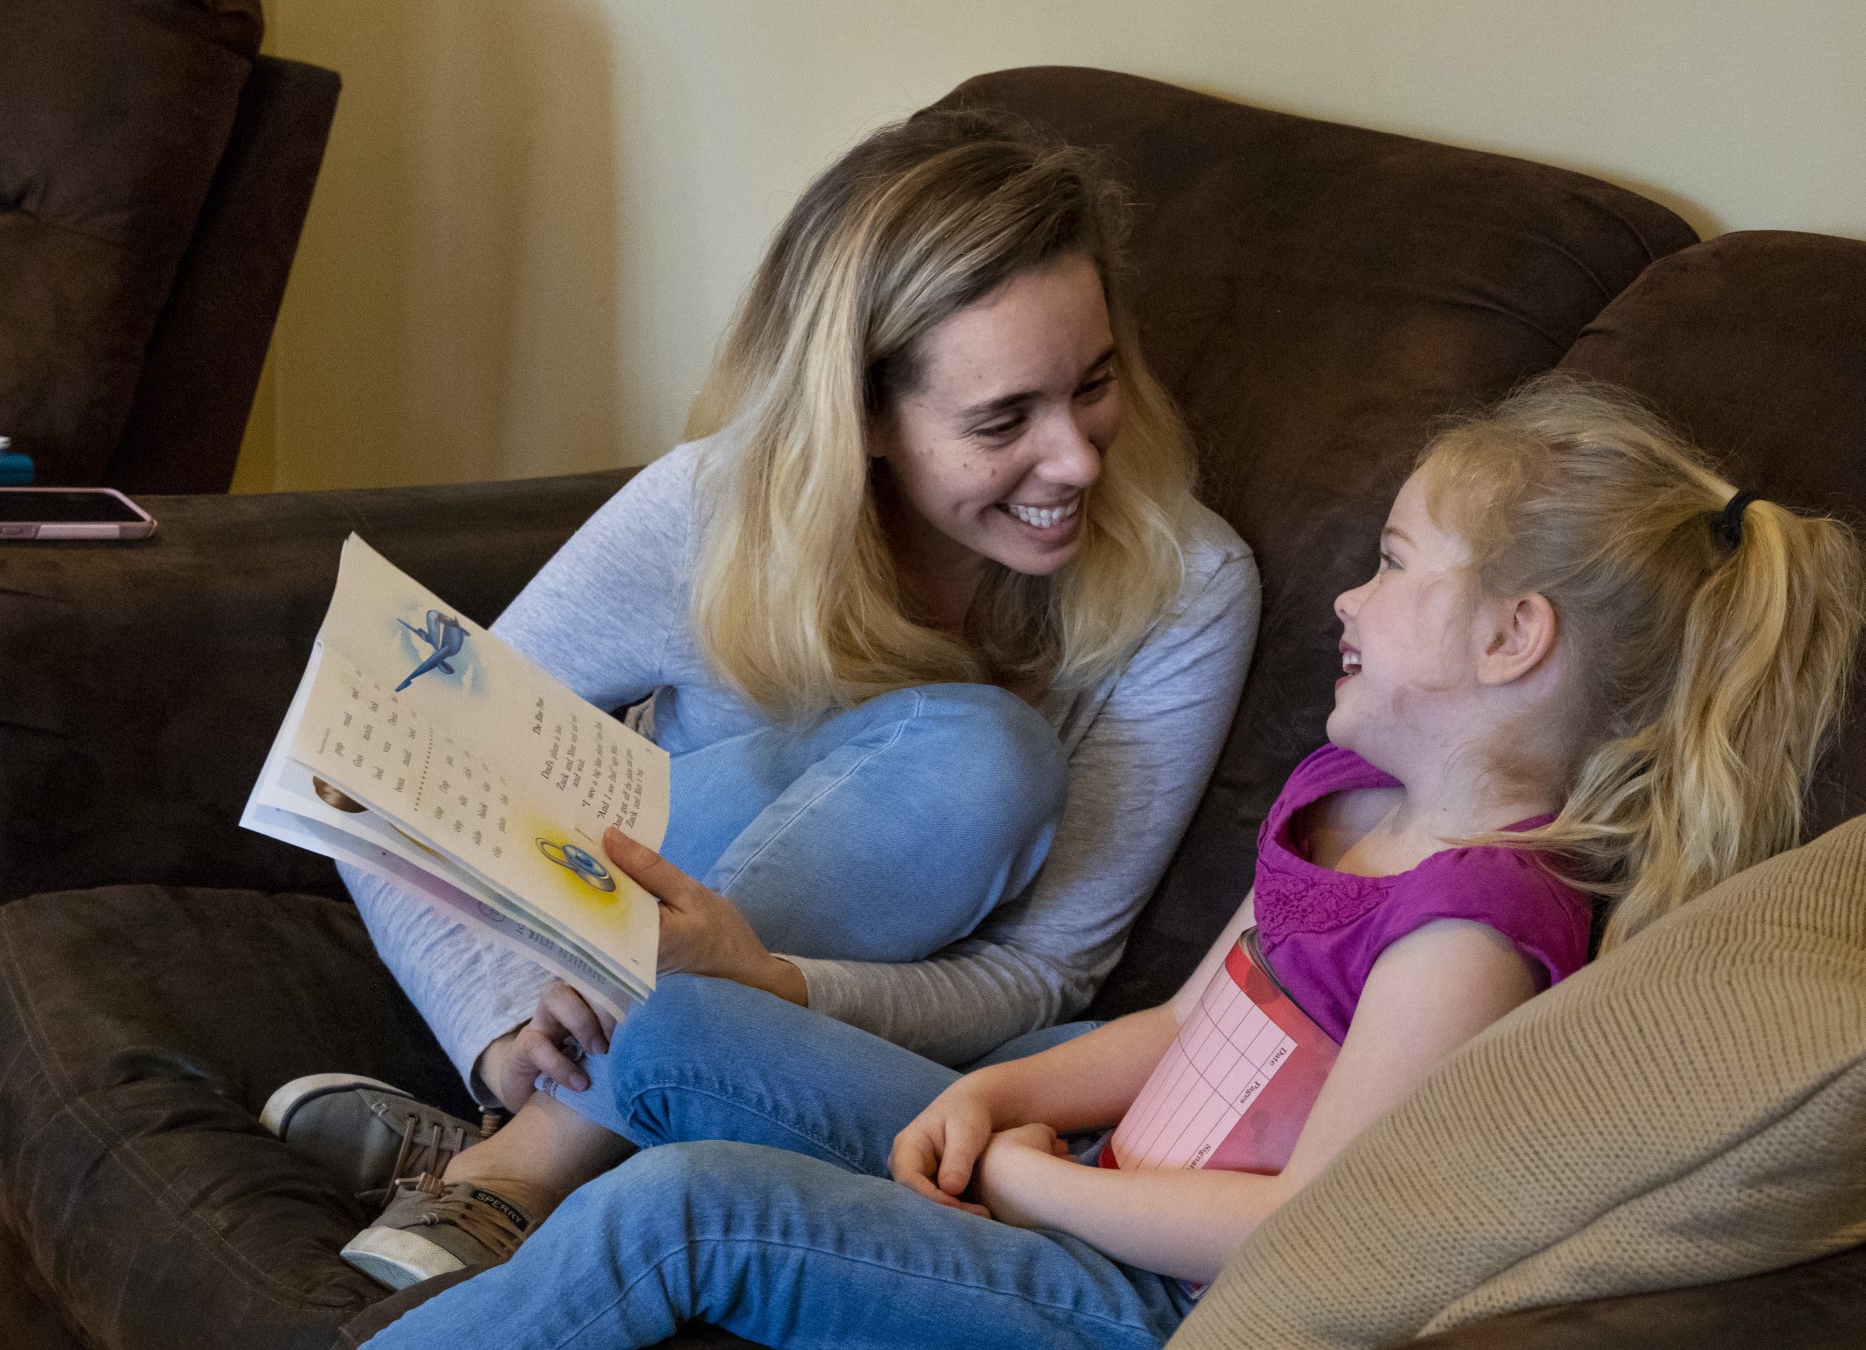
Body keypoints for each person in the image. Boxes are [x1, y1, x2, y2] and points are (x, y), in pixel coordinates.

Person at [357, 374, 1866, 1348]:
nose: (1345, 594)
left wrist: (1034, 1185)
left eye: (1396, 563)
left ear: (1511, 637)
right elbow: (1182, 1026)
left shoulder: (1471, 928)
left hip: (1141, 1294)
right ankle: (479, 1169)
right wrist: (1001, 1093)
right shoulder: (1350, 790)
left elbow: (1311, 1227)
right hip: (1090, 1155)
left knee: (681, 1207)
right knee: (679, 1017)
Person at [265, 107, 1263, 1288]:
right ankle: (534, 1127)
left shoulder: (1187, 586)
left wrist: (769, 984)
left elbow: (1048, 976)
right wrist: (493, 1035)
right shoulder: (712, 513)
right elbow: (377, 753)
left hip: (845, 1033)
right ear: (867, 419)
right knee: (981, 751)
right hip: (591, 959)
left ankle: (515, 1172)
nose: (1080, 460)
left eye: (1094, 385)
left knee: (984, 763)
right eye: (1003, 421)